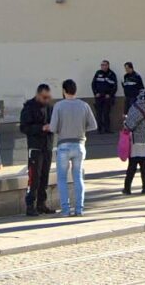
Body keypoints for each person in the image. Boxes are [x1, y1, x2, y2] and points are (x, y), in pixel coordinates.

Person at [51, 79, 97, 217]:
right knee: (78, 177)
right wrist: (82, 129)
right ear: (75, 91)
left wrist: (61, 129)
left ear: (64, 91)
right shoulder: (84, 105)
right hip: (79, 144)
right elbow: (93, 125)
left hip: (63, 144)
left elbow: (53, 127)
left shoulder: (58, 106)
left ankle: (65, 210)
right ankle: (79, 209)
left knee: (62, 179)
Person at [20, 84, 54, 216]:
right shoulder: (29, 107)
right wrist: (41, 128)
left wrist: (53, 127)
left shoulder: (50, 107)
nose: (46, 100)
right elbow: (24, 127)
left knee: (44, 176)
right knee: (34, 177)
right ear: (38, 95)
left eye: (48, 97)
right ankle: (30, 205)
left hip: (47, 146)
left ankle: (42, 203)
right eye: (44, 97)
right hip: (35, 146)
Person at [122, 90, 145, 194]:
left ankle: (127, 188)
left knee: (132, 165)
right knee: (144, 165)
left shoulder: (134, 108)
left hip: (135, 141)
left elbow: (129, 125)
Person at [91, 60, 118, 134]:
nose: (103, 66)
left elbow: (115, 86)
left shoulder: (111, 74)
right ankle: (99, 129)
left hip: (107, 97)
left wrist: (110, 94)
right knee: (99, 113)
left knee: (106, 113)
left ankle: (107, 129)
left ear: (108, 65)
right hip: (99, 96)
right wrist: (95, 93)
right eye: (102, 65)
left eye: (104, 65)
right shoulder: (98, 73)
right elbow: (93, 84)